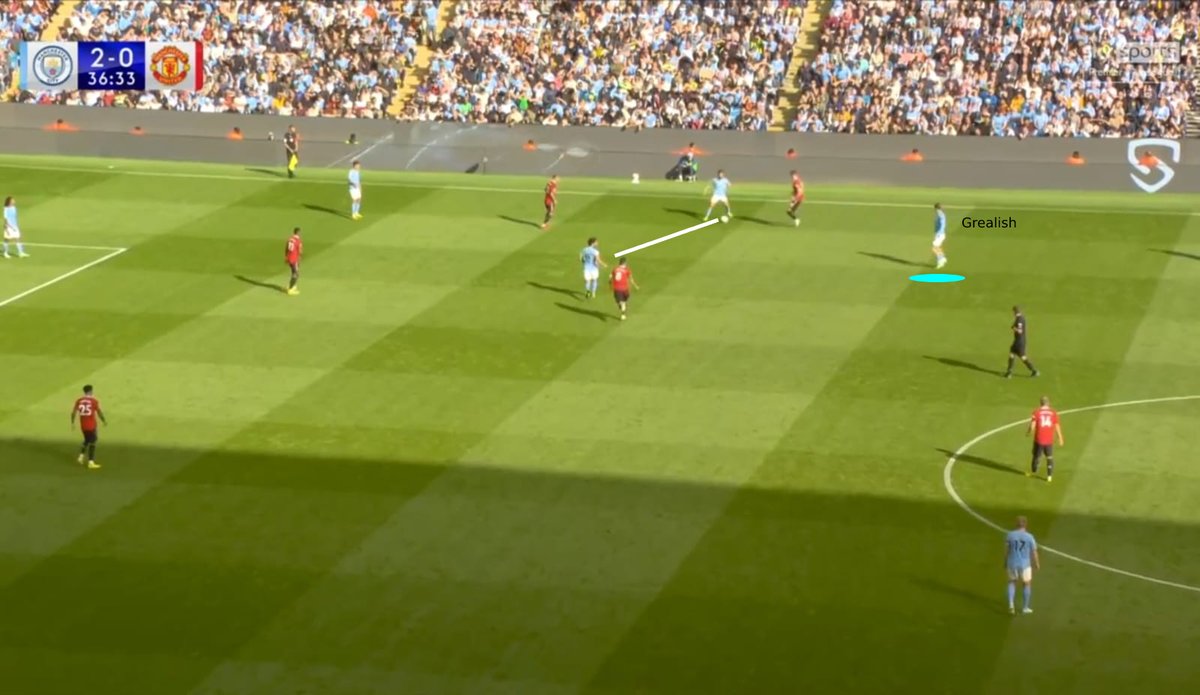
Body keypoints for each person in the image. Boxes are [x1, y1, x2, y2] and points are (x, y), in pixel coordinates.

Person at [1004, 516, 1040, 615]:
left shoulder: (1010, 535)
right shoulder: (1029, 537)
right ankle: (1025, 607)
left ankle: (1011, 604)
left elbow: (1006, 550)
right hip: (1025, 565)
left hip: (1012, 563)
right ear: (1026, 524)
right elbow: (1034, 552)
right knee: (1027, 584)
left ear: (1016, 524)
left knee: (1012, 582)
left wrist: (1005, 561)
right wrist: (1037, 563)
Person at [1027, 395, 1063, 482]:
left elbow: (1032, 426)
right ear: (1048, 403)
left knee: (1036, 455)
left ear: (1041, 403)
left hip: (1039, 439)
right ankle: (1049, 476)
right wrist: (1060, 438)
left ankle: (1034, 471)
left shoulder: (1036, 412)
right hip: (1049, 440)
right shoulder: (1053, 413)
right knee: (1049, 457)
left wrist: (1028, 432)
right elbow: (1057, 426)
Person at [70, 384, 106, 470]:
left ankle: (81, 457)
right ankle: (91, 462)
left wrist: (72, 423)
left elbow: (73, 412)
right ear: (90, 391)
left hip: (83, 425)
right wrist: (103, 420)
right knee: (93, 441)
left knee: (87, 439)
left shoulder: (79, 401)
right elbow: (99, 412)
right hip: (91, 425)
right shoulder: (94, 401)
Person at [1006, 305, 1040, 378]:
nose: (1013, 313)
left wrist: (1014, 328)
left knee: (1018, 356)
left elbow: (1020, 331)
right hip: (1020, 341)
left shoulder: (1019, 320)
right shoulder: (1021, 318)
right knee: (1017, 355)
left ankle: (1009, 372)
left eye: (1013, 312)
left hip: (1019, 342)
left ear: (1015, 311)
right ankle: (1033, 371)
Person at [610, 256, 639, 321]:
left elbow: (610, 277)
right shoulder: (627, 270)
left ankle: (622, 313)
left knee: (620, 302)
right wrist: (635, 286)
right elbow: (631, 279)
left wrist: (610, 284)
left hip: (617, 289)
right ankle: (623, 312)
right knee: (623, 302)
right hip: (625, 289)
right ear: (625, 263)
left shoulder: (615, 269)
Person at [285, 227, 303, 296]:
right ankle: (290, 289)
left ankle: (293, 285)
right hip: (294, 259)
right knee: (296, 274)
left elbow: (286, 248)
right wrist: (300, 257)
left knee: (293, 272)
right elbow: (300, 251)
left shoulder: (290, 239)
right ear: (298, 233)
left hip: (289, 258)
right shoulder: (298, 241)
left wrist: (286, 257)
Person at [932, 203, 947, 269]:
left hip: (940, 234)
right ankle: (943, 258)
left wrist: (938, 233)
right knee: (938, 247)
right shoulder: (940, 214)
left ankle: (940, 261)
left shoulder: (940, 214)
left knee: (934, 248)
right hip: (941, 234)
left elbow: (942, 224)